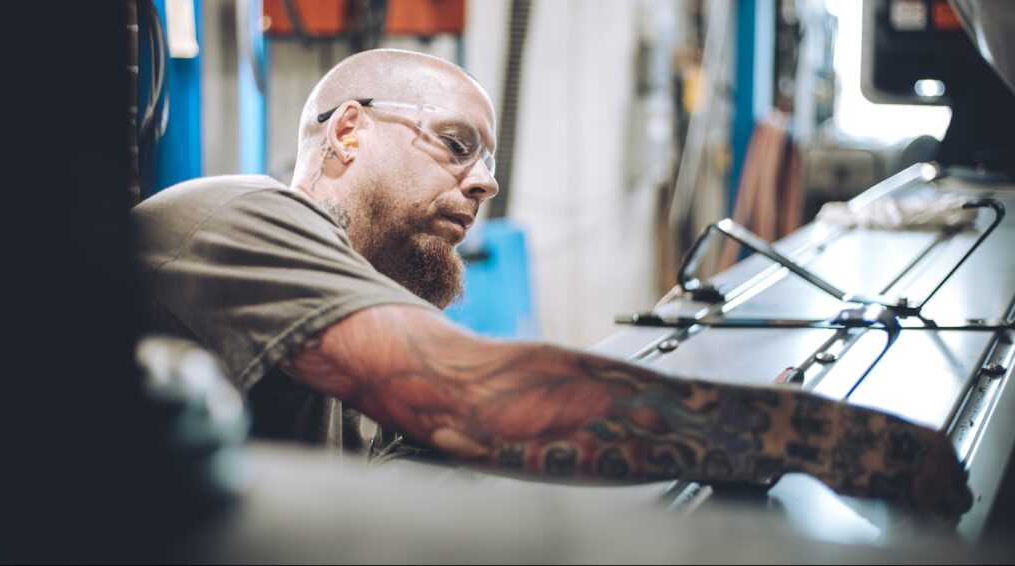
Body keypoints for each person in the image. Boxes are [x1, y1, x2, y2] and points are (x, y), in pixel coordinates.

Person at [133, 48, 971, 520]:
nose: (485, 182)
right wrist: (800, 433)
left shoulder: (350, 319)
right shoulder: (235, 215)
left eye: (489, 161)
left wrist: (715, 439)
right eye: (456, 144)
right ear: (348, 133)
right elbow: (469, 397)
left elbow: (488, 446)